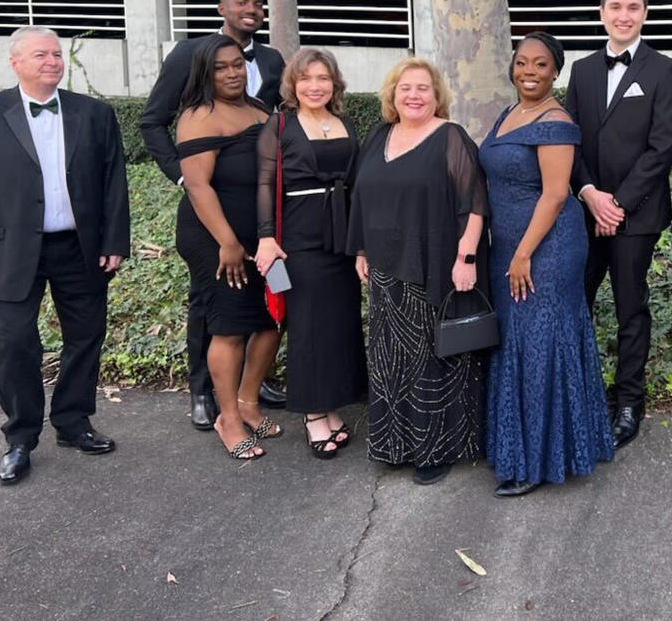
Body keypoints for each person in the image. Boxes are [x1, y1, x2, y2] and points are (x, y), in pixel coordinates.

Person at [0, 26, 130, 484]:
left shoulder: (94, 113)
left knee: (86, 335)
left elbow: (114, 183)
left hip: (80, 247)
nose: (52, 61)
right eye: (39, 54)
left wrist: (114, 241)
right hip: (9, 250)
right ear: (15, 62)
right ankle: (20, 437)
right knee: (14, 344)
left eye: (56, 53)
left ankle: (72, 422)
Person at [138, 0, 287, 430]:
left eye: (258, 3)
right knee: (214, 306)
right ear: (221, 8)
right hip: (212, 216)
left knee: (267, 308)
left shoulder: (271, 58)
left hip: (260, 221)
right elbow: (152, 121)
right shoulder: (191, 54)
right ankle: (205, 394)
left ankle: (250, 392)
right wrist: (184, 176)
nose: (252, 8)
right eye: (241, 1)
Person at [481, 32, 614, 496]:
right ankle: (520, 446)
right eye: (522, 63)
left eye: (540, 64)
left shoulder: (556, 121)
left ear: (556, 71)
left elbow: (557, 193)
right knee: (519, 341)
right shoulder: (510, 113)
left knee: (541, 344)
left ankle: (538, 461)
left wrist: (523, 253)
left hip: (546, 249)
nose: (529, 72)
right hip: (510, 247)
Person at [347, 58, 487, 486]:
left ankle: (434, 449)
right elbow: (361, 197)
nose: (414, 95)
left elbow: (474, 203)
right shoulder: (378, 136)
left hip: (433, 264)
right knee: (389, 359)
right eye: (405, 87)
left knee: (431, 358)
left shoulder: (450, 137)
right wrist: (362, 249)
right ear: (392, 94)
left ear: (436, 95)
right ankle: (394, 444)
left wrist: (466, 257)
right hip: (385, 269)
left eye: (423, 88)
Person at [564, 0, 672, 449]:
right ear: (602, 12)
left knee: (631, 308)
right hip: (586, 210)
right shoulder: (584, 69)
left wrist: (618, 203)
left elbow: (662, 146)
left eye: (633, 8)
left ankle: (630, 399)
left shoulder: (664, 69)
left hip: (636, 215)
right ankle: (581, 391)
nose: (624, 15)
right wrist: (590, 193)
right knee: (578, 303)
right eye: (615, 7)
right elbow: (569, 138)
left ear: (644, 14)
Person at [255, 49, 367, 460]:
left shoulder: (345, 122)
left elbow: (358, 181)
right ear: (293, 85)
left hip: (343, 234)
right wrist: (266, 238)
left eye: (323, 78)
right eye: (306, 79)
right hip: (300, 237)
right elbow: (265, 184)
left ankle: (333, 404)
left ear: (334, 83)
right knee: (309, 326)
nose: (315, 86)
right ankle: (313, 413)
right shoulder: (279, 124)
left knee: (340, 323)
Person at [174, 35, 280, 461]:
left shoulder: (258, 109)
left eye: (237, 64)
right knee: (231, 326)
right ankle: (228, 418)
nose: (233, 72)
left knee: (272, 319)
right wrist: (228, 242)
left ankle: (248, 402)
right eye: (222, 67)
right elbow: (198, 187)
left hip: (263, 235)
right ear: (205, 72)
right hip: (216, 237)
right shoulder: (199, 116)